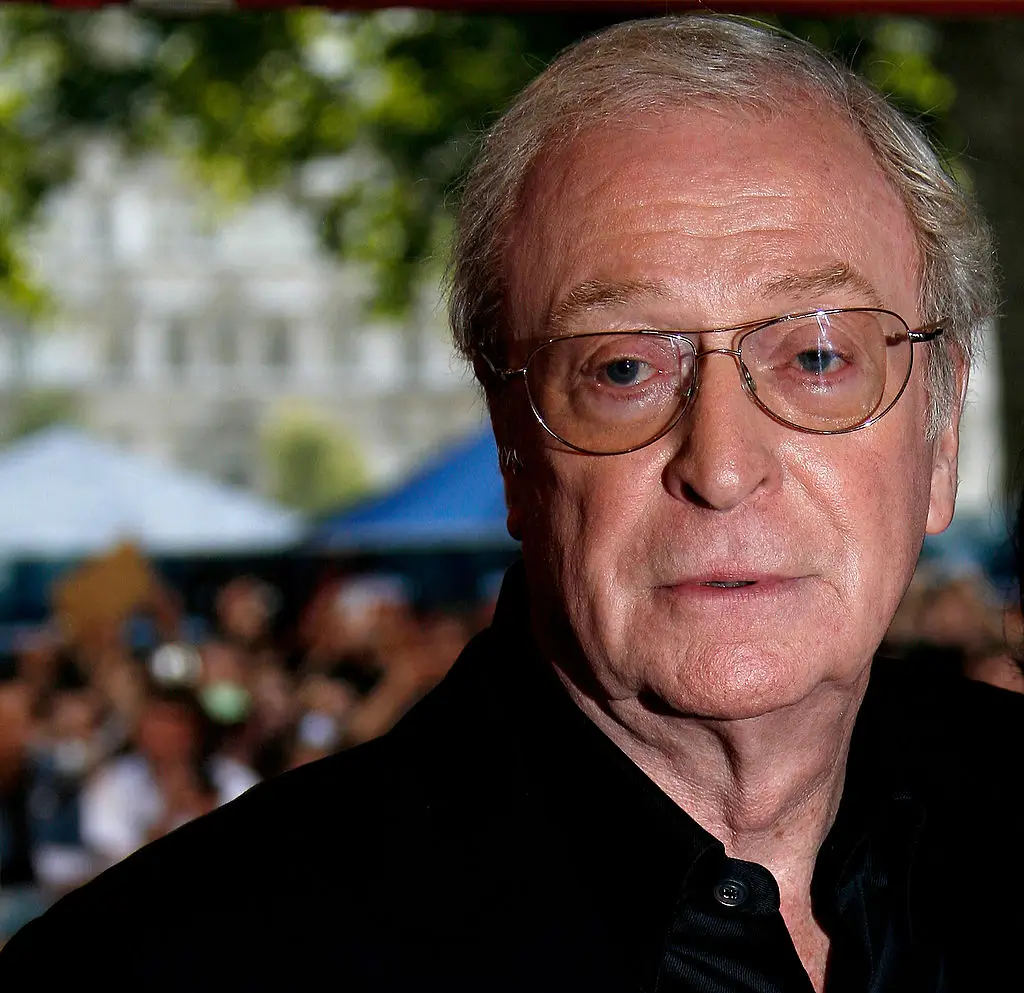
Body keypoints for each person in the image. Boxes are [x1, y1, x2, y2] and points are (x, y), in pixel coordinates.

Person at [1, 14, 1020, 991]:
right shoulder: (157, 966)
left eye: (814, 356)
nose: (720, 465)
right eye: (623, 369)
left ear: (938, 436)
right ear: (511, 445)